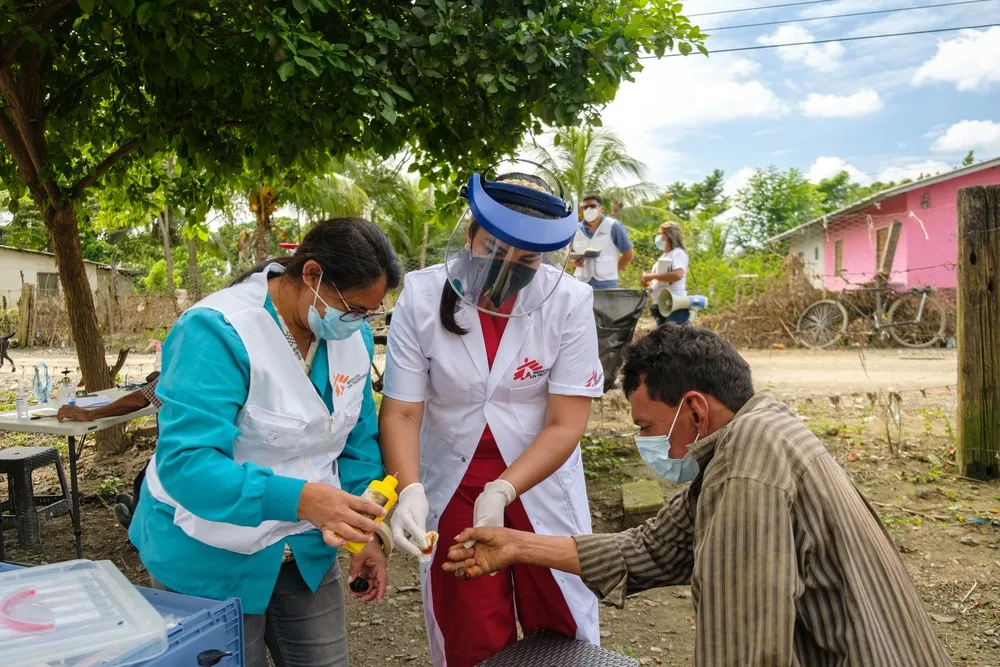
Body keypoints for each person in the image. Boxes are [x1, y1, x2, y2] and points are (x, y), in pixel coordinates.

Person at [444, 324, 955, 667]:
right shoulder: (757, 431)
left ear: (694, 409)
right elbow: (649, 549)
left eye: (647, 426)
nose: (645, 441)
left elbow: (743, 650)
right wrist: (517, 546)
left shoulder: (747, 472)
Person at [130, 218, 401, 667]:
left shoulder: (349, 340)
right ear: (311, 275)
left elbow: (355, 443)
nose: (357, 324)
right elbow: (188, 463)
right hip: (210, 556)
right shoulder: (218, 331)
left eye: (368, 314)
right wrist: (303, 500)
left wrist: (364, 534)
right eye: (352, 309)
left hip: (307, 555)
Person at [379, 170, 605, 667]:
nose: (508, 269)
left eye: (527, 260)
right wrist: (410, 489)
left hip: (535, 477)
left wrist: (503, 489)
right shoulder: (420, 296)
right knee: (470, 622)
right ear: (469, 237)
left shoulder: (568, 302)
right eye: (495, 250)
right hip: (455, 481)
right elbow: (400, 410)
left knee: (561, 616)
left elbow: (565, 423)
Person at [58, 372, 161, 529]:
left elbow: (140, 400)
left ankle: (139, 528)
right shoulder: (206, 361)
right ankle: (138, 508)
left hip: (183, 448)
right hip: (207, 443)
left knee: (146, 479)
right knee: (144, 479)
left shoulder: (184, 362)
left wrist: (89, 414)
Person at [571, 194, 633, 289]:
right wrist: (574, 262)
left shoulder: (613, 226)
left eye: (592, 206)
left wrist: (613, 272)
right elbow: (563, 256)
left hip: (607, 284)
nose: (588, 210)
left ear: (601, 209)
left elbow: (628, 255)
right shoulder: (575, 229)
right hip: (581, 284)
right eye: (585, 207)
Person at [642, 222, 690, 326]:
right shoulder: (663, 256)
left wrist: (652, 276)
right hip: (662, 307)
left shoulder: (678, 253)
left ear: (669, 235)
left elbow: (678, 275)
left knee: (672, 338)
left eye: (660, 233)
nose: (657, 237)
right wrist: (648, 284)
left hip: (675, 305)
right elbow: (659, 282)